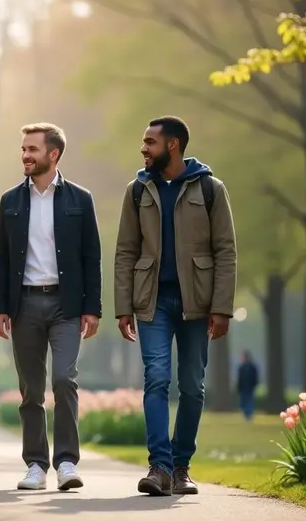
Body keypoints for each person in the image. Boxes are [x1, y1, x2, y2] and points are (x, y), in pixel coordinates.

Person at [113, 116, 237, 497]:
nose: (143, 148)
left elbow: (225, 251)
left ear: (172, 145)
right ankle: (159, 467)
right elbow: (125, 251)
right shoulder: (138, 190)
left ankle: (182, 467)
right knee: (156, 379)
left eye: (150, 141)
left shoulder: (211, 189)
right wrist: (123, 307)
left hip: (197, 304)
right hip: (153, 302)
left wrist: (222, 307)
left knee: (193, 386)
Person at [0, 123, 102, 492]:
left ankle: (67, 462)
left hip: (66, 305)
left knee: (64, 379)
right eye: (23, 148)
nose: (25, 155)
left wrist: (93, 308)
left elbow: (91, 257)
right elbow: (2, 259)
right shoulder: (10, 201)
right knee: (31, 389)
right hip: (23, 304)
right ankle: (35, 465)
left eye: (32, 149)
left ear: (53, 154)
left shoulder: (80, 199)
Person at [237, 350, 260, 421]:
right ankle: (246, 416)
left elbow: (255, 377)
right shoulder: (241, 367)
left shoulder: (251, 367)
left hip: (249, 388)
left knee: (249, 401)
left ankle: (249, 416)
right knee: (244, 402)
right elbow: (239, 379)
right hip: (243, 388)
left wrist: (254, 385)